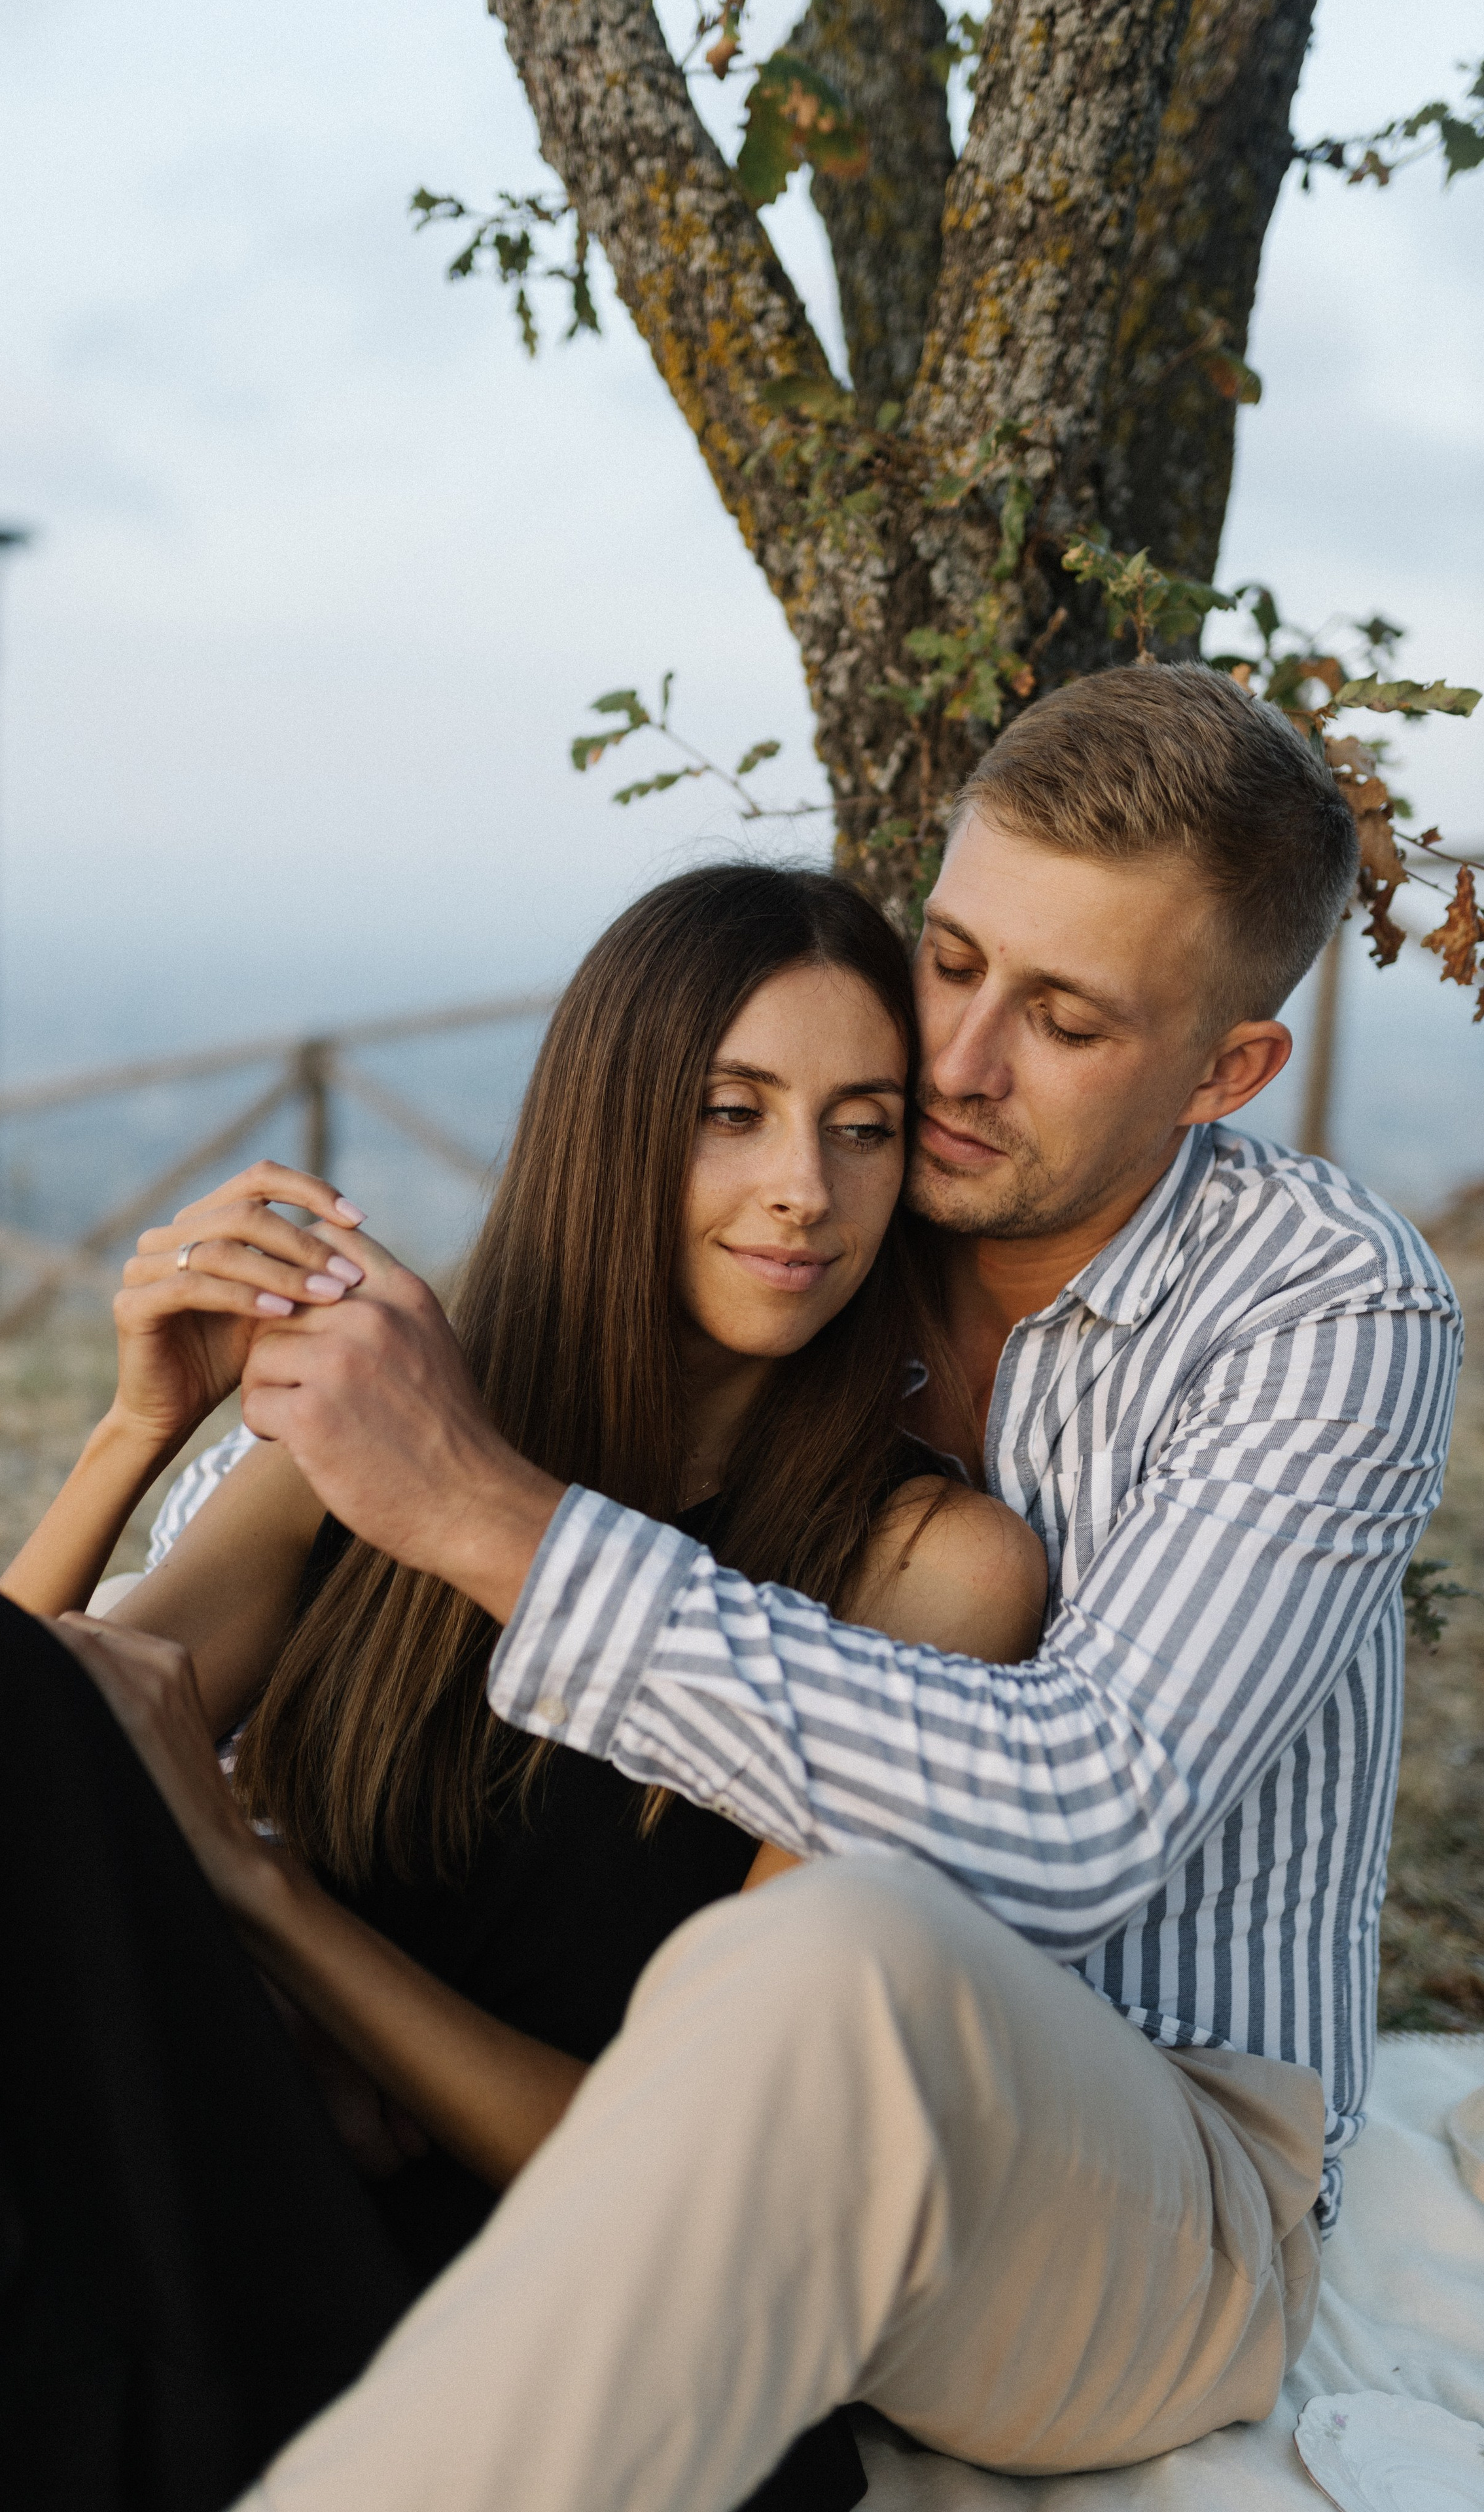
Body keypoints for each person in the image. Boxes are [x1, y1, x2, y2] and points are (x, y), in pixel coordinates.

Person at [136, 663, 1458, 2512]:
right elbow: (356, 1465)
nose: (961, 1065)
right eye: (954, 959)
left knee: (833, 1958)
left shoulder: (1327, 1307)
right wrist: (242, 1445)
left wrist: (489, 1519)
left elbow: (1087, 1808)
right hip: (726, 2085)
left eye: (1065, 1018)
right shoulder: (837, 1178)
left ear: (1227, 1072)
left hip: (1157, 2181)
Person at [0, 868, 1042, 2512]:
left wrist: (265, 1905)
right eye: (729, 1113)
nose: (800, 1189)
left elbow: (682, 2170)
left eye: (862, 1127)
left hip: (507, 2294)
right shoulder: (398, 1420)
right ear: (607, 1123)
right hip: (223, 2155)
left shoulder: (928, 1571)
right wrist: (133, 1439)